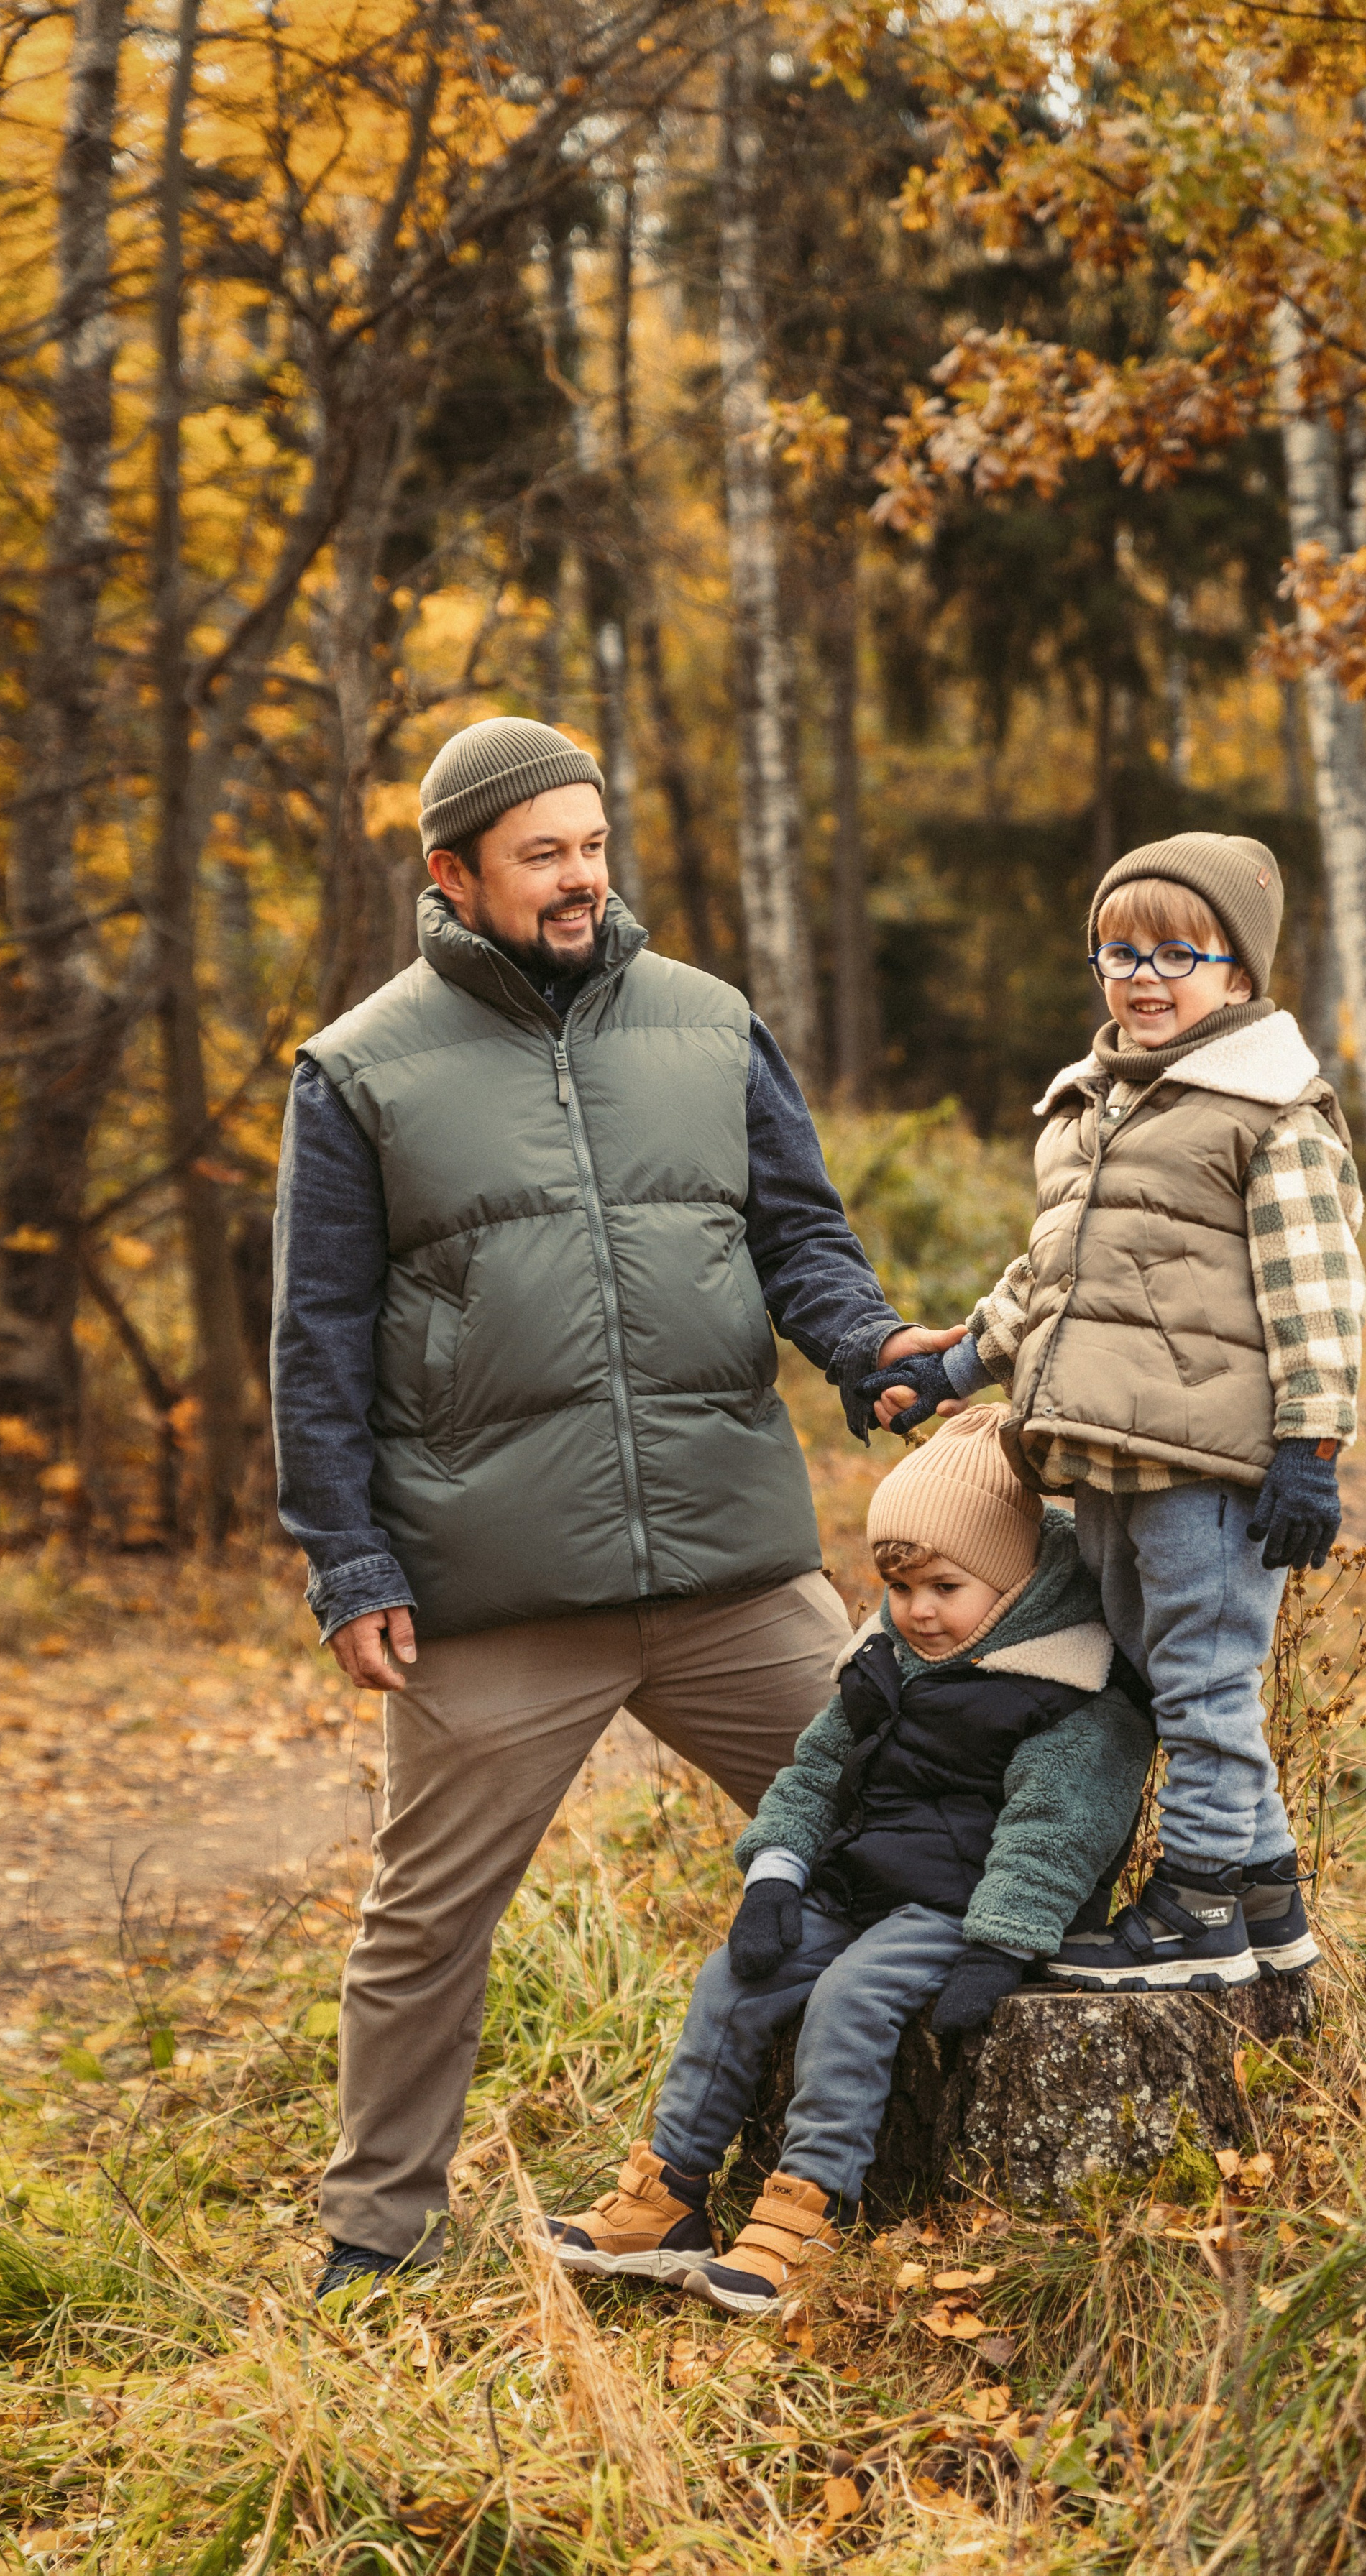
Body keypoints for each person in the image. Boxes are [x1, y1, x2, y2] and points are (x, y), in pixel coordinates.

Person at [271, 715, 961, 2301]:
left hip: (729, 1565)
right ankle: (379, 2233)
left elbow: (800, 1239)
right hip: (490, 1584)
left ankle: (902, 2167)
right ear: (453, 874)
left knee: (915, 1817)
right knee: (424, 1921)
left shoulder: (708, 1024)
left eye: (592, 845)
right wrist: (348, 1554)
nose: (580, 878)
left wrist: (865, 1350)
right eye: (542, 855)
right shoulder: (361, 1069)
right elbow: (310, 1343)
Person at [856, 832, 1366, 1992]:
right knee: (1160, 1667)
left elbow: (1320, 1293)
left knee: (1203, 1687)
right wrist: (957, 1368)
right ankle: (1268, 1901)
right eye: (1119, 950)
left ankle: (1197, 1907)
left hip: (1212, 1465)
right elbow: (1049, 1279)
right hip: (1109, 1461)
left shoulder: (1270, 1113)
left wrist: (1311, 1442)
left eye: (1179, 951)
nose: (1144, 974)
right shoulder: (1095, 1106)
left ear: (1239, 973)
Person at [546, 1409, 1154, 2314]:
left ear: (1018, 1579)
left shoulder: (1066, 1686)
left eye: (947, 1584)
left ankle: (807, 2209)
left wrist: (1000, 1944)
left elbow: (1057, 1829)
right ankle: (667, 2193)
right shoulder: (887, 1660)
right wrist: (777, 1877)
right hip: (862, 1884)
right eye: (899, 1584)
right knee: (735, 1980)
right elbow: (815, 1769)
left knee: (851, 1997)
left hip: (969, 1905)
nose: (918, 1609)